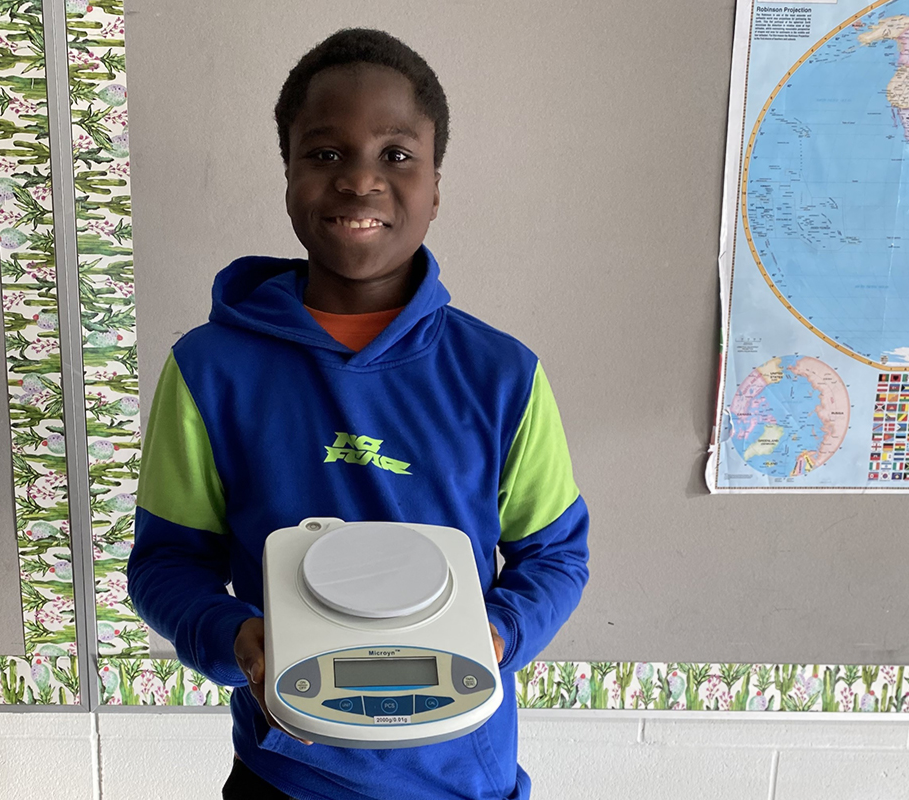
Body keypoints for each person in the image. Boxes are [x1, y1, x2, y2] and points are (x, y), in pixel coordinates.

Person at [129, 28, 589, 800]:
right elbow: (166, 564)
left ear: (436, 185)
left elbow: (556, 558)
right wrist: (236, 638)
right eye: (326, 154)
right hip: (284, 774)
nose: (360, 181)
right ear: (288, 174)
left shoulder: (503, 375)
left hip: (460, 776)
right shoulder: (210, 371)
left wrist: (497, 635)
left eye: (396, 155)